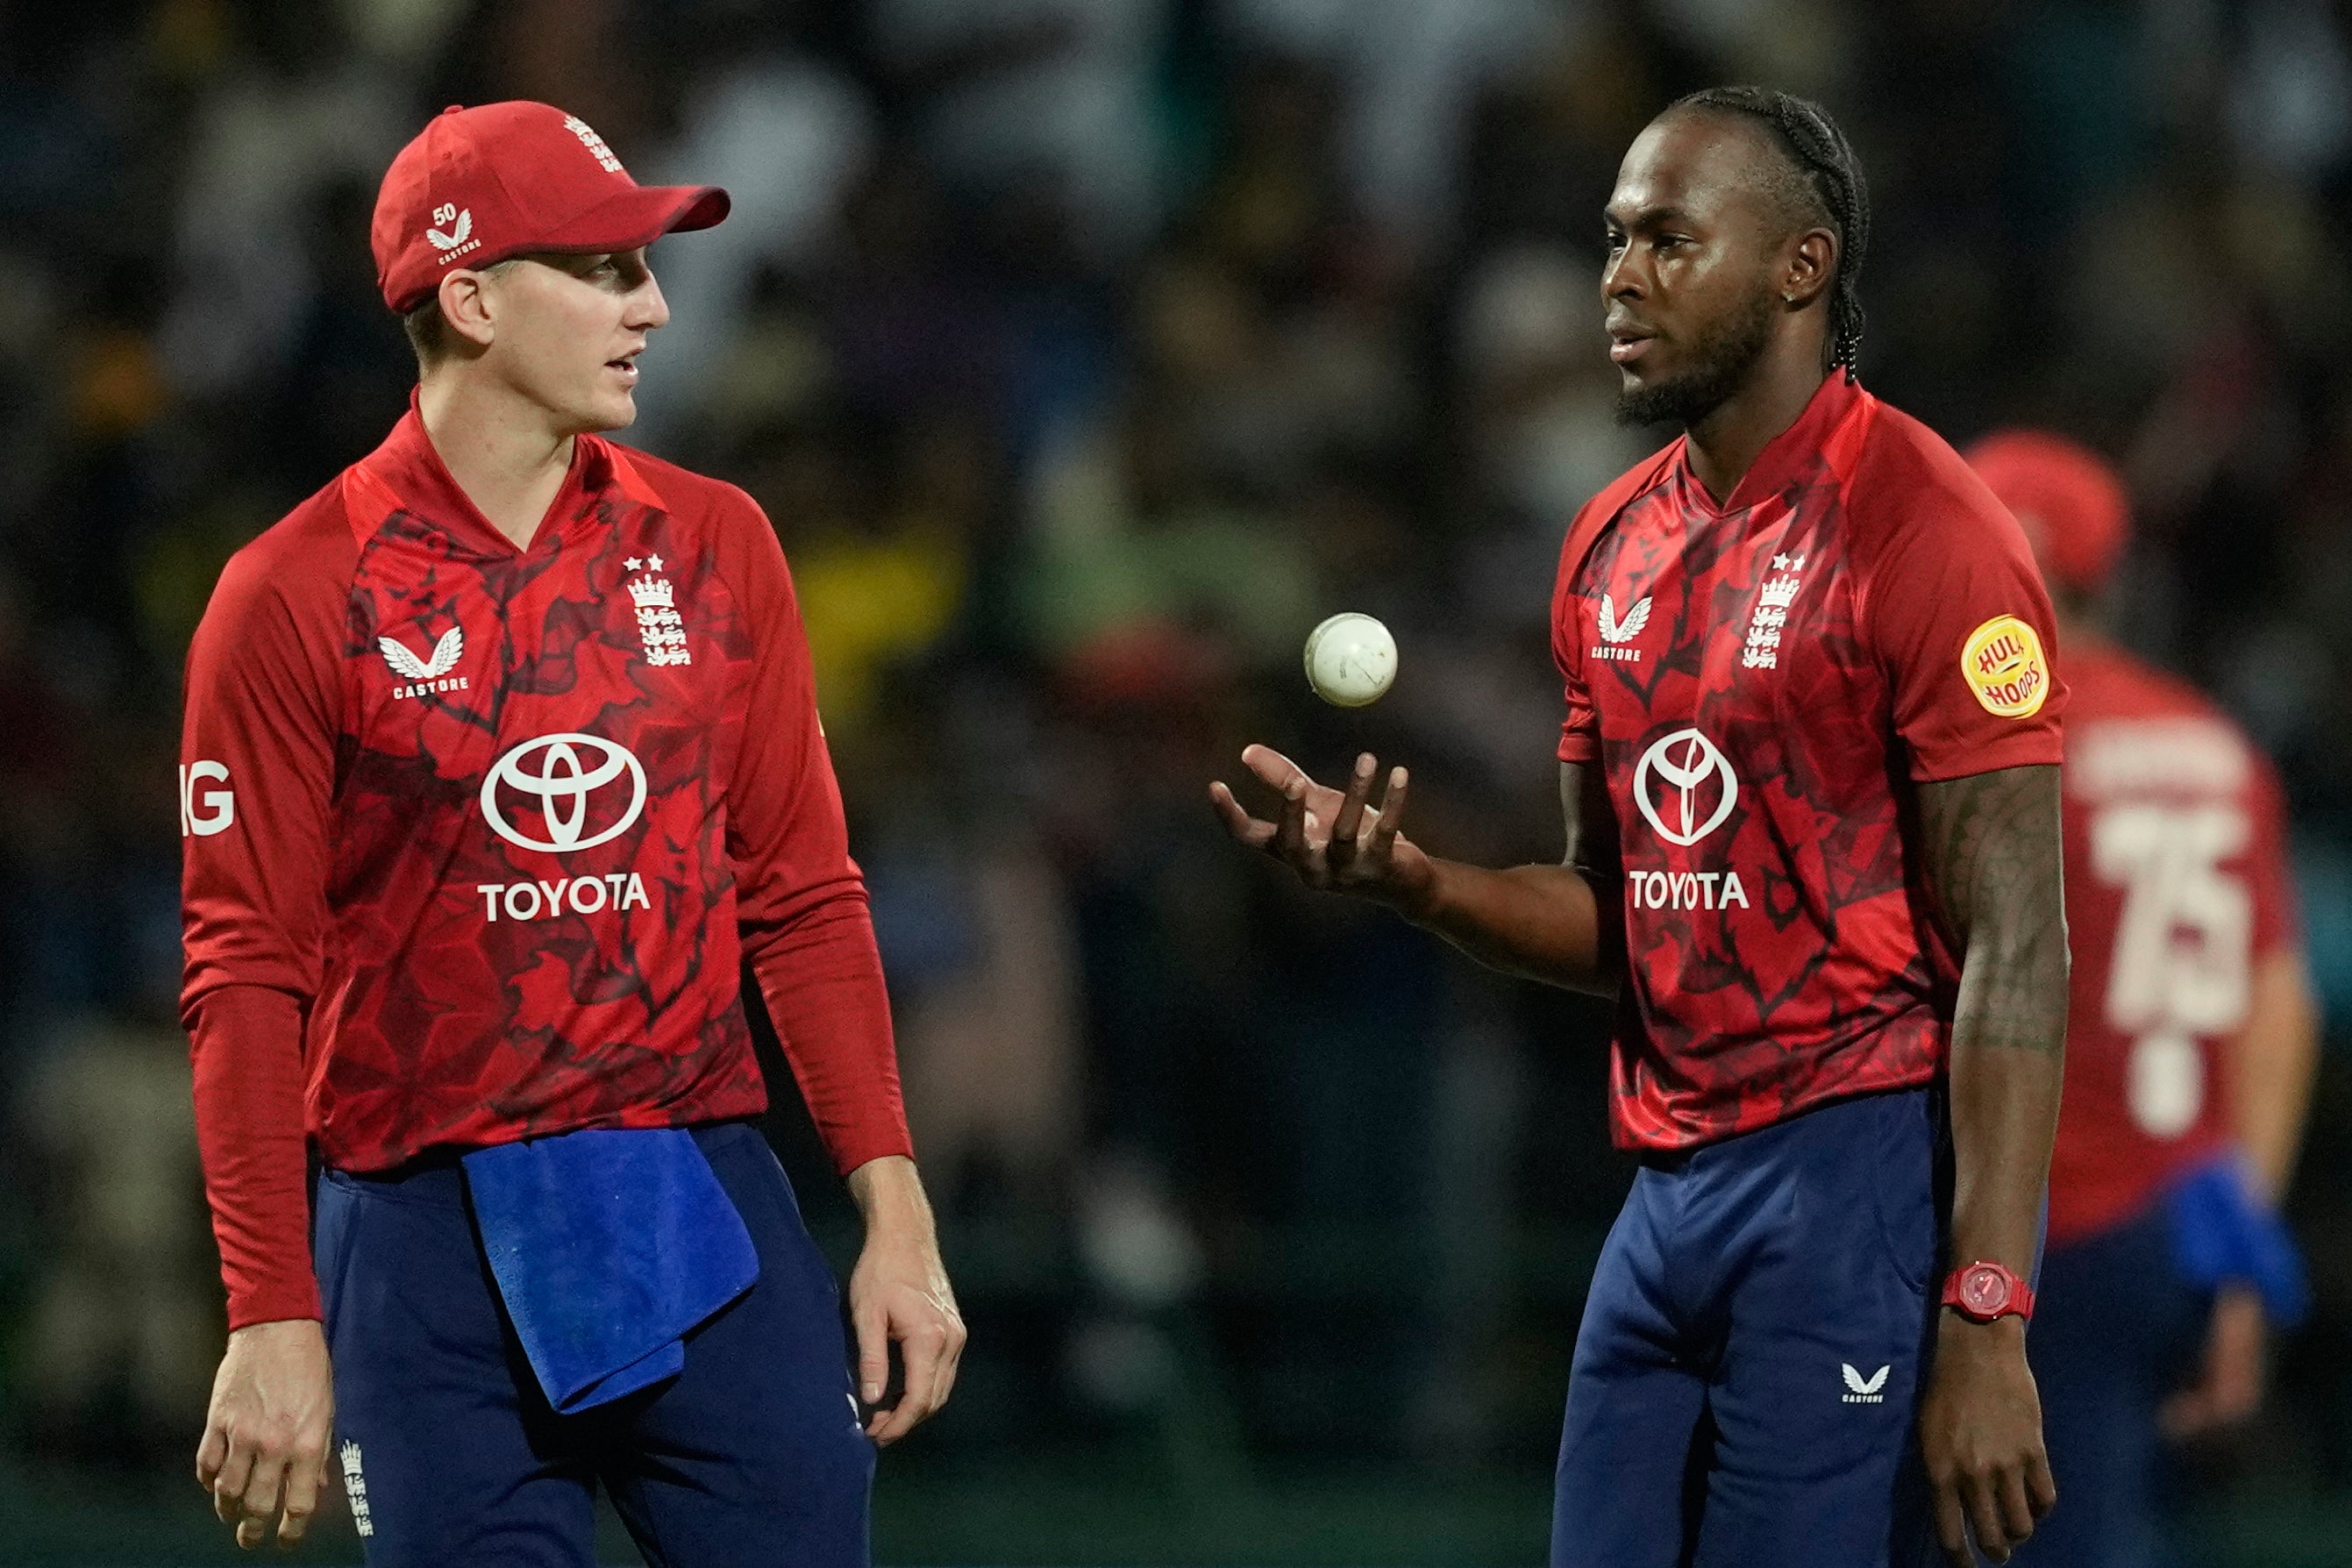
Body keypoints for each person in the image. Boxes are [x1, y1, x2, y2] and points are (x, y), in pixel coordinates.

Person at [1215, 86, 2067, 1567]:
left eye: (1669, 241)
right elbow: (1622, 914)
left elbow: (2018, 945)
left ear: (1800, 267)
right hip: (1663, 1201)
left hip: (1852, 1174)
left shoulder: (1922, 526)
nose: (1616, 277)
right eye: (1614, 240)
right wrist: (1414, 882)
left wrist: (1986, 1315)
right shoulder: (1610, 542)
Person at [178, 101, 964, 1564]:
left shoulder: (716, 540)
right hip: (419, 1251)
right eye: (604, 270)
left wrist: (896, 1218)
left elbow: (799, 896)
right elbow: (242, 974)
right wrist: (269, 1312)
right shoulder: (290, 593)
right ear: (469, 297)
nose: (653, 306)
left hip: (694, 1209)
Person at [1967, 431, 2318, 1568]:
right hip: (2182, 1215)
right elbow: (2275, 1001)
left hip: (2053, 1212)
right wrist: (2238, 1236)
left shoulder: (2008, 744)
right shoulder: (2213, 743)